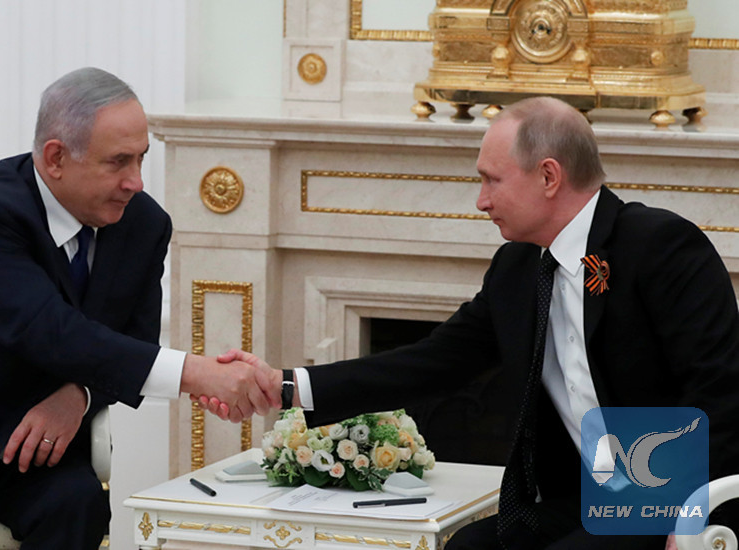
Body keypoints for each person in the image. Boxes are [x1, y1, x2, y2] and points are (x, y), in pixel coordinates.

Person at [208, 97, 739, 549]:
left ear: (549, 176)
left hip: (669, 497)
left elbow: (721, 392)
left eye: (491, 180)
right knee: (467, 546)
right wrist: (285, 386)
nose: (481, 201)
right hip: (580, 500)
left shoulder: (660, 246)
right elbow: (434, 361)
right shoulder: (518, 268)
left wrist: (686, 514)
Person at [0, 67, 279, 549]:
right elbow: (48, 329)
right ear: (55, 158)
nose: (135, 181)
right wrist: (198, 373)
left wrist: (79, 396)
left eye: (141, 159)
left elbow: (132, 340)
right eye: (118, 162)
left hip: (28, 450)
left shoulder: (144, 224)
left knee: (78, 504)